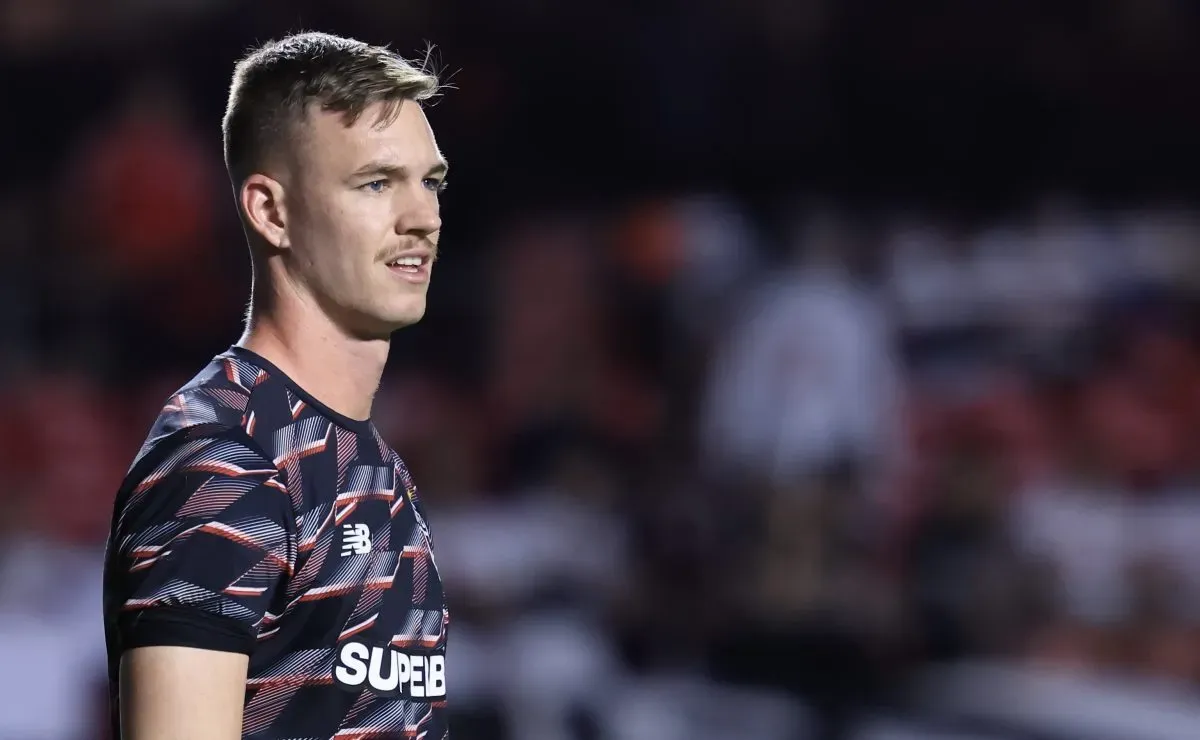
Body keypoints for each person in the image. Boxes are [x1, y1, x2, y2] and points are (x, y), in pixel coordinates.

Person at [102, 31, 452, 739]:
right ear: (270, 211)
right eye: (376, 183)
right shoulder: (226, 457)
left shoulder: (373, 464)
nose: (423, 218)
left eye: (431, 182)